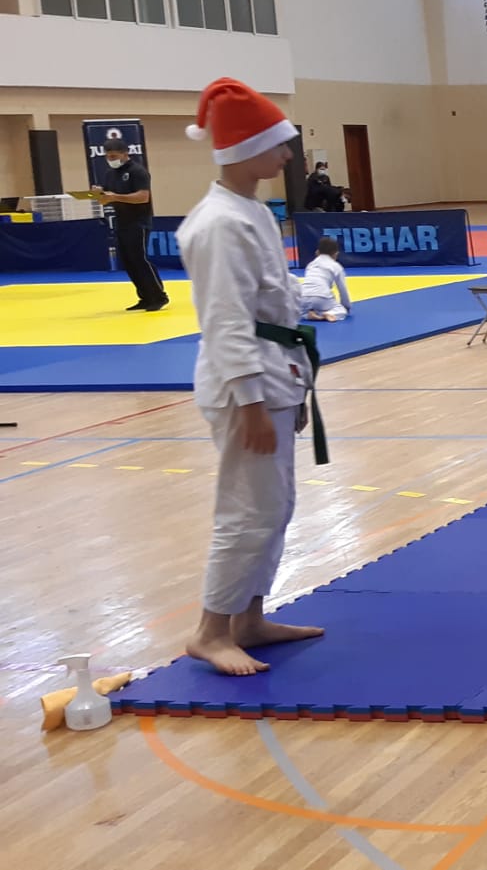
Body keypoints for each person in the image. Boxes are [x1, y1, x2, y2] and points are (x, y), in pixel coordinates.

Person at [177, 77, 325, 676]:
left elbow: (276, 301)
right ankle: (210, 631)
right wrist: (250, 402)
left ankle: (249, 620)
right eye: (278, 144)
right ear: (245, 149)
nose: (287, 155)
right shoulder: (218, 224)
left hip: (273, 375)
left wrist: (294, 382)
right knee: (247, 509)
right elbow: (225, 321)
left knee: (275, 505)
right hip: (243, 385)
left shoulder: (254, 211)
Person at [96, 136, 168, 312]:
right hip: (121, 221)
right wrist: (99, 194)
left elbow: (143, 197)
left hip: (138, 222)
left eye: (114, 156)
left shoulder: (137, 171)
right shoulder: (110, 173)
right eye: (108, 157)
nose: (111, 159)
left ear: (124, 153)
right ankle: (145, 296)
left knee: (139, 259)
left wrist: (115, 197)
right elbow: (108, 196)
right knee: (128, 261)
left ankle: (159, 296)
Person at [298, 236, 353, 322]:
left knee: (300, 312)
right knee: (341, 310)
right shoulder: (336, 266)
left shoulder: (311, 265)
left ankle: (308, 315)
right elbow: (342, 289)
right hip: (322, 297)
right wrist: (346, 306)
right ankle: (329, 314)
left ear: (317, 252)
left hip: (303, 297)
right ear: (336, 254)